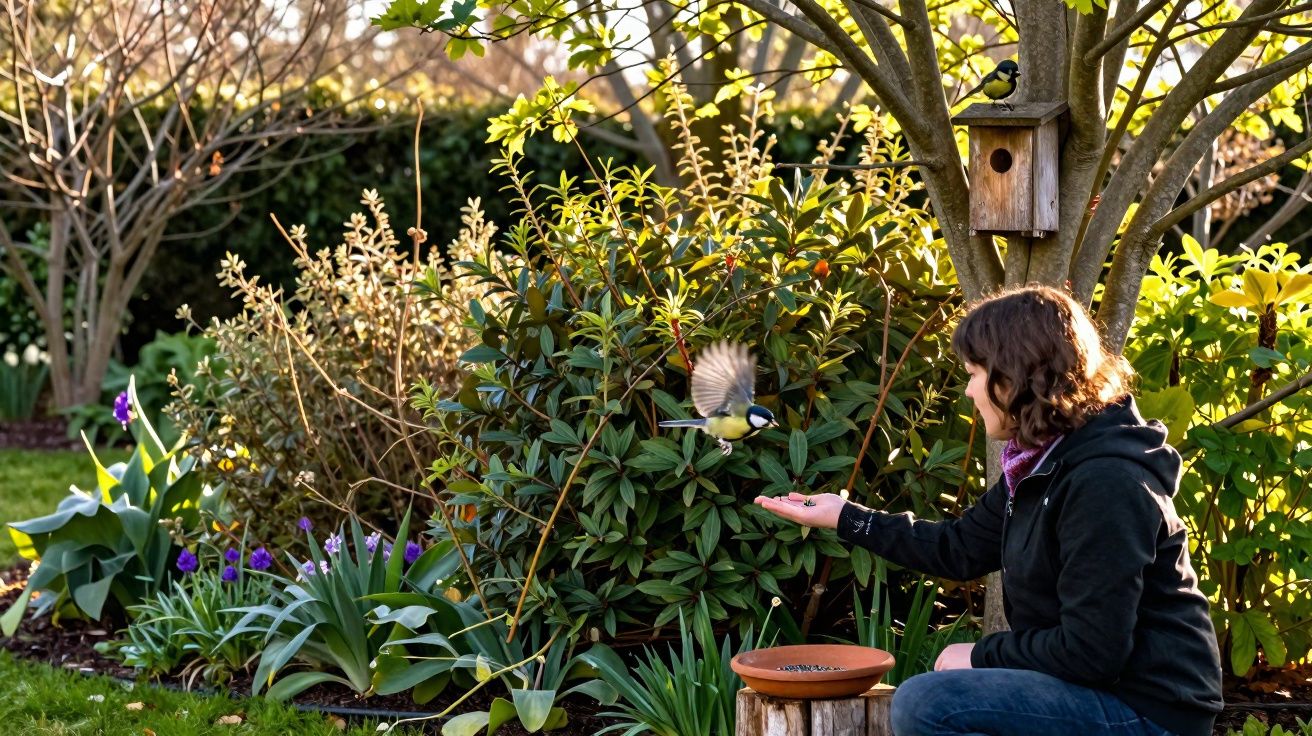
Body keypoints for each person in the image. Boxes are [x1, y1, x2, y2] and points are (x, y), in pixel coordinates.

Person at [754, 285, 1223, 736]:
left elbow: (1092, 651)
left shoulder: (1104, 483)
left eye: (974, 374)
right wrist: (845, 516)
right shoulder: (1043, 464)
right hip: (1101, 689)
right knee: (933, 696)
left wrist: (984, 655)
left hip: (1150, 712)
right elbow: (959, 549)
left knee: (928, 704)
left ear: (1015, 377)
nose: (968, 392)